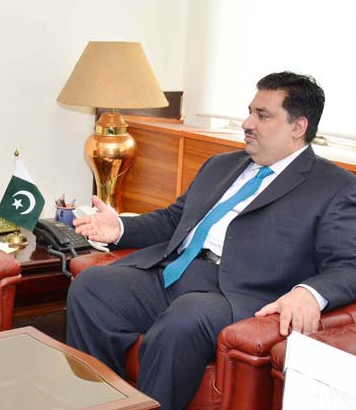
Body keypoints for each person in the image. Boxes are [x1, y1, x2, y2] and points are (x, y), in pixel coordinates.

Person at [68, 72, 356, 410]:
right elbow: (174, 220)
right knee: (92, 285)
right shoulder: (221, 164)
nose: (248, 123)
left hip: (235, 292)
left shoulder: (334, 186)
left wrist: (308, 293)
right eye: (250, 111)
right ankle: (100, 402)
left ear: (298, 126)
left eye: (262, 116)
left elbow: (348, 265)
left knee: (182, 322)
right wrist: (120, 229)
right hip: (174, 271)